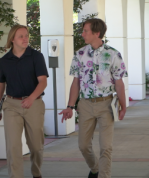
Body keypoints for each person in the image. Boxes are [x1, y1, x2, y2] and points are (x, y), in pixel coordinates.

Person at [59, 18, 128, 178]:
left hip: (106, 105)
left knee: (106, 147)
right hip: (85, 105)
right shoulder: (79, 54)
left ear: (97, 33)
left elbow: (119, 83)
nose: (82, 34)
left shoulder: (113, 54)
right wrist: (70, 106)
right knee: (83, 145)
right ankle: (95, 168)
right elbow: (75, 83)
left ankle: (104, 175)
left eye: (85, 31)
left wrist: (123, 106)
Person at [0, 25, 49, 178]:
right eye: (21, 36)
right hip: (11, 105)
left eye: (26, 35)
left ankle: (36, 173)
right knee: (13, 147)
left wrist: (31, 98)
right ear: (12, 39)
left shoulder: (36, 56)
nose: (25, 38)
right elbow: (0, 85)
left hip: (34, 104)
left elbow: (43, 82)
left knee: (36, 147)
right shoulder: (4, 61)